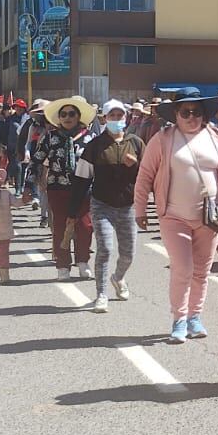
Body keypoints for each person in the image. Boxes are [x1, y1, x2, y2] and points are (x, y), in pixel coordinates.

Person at [135, 91, 218, 343]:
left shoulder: (216, 137)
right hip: (174, 215)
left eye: (197, 112)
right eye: (185, 112)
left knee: (202, 270)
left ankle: (195, 317)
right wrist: (140, 209)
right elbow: (145, 174)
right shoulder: (163, 139)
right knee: (183, 268)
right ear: (176, 115)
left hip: (209, 217)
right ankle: (179, 319)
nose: (192, 117)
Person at [76, 99, 143, 313]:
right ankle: (101, 294)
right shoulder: (95, 146)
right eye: (112, 116)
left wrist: (136, 165)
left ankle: (118, 278)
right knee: (104, 248)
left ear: (126, 117)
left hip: (127, 205)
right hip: (101, 203)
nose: (116, 120)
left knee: (128, 253)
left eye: (120, 116)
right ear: (104, 119)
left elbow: (148, 174)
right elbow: (82, 177)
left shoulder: (136, 142)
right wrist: (75, 207)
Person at [22, 96, 96, 281]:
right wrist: (29, 186)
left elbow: (100, 162)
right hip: (57, 188)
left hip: (84, 189)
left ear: (78, 116)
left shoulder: (89, 137)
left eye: (71, 114)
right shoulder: (50, 137)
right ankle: (63, 266)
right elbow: (36, 160)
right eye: (63, 114)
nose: (67, 117)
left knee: (85, 226)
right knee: (60, 227)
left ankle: (83, 261)